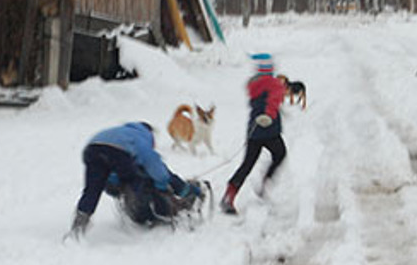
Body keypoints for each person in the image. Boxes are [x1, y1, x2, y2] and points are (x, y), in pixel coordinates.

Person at [67, 122, 203, 240]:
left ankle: (79, 225)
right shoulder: (141, 136)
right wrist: (162, 185)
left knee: (92, 190)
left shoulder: (121, 132)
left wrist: (114, 183)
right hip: (117, 152)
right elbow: (155, 166)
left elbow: (112, 170)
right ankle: (145, 212)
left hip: (92, 149)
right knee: (139, 181)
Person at [220, 53, 287, 215]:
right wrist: (269, 114)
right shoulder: (274, 84)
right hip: (269, 129)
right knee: (280, 153)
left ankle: (229, 196)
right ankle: (265, 183)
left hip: (254, 130)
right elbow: (273, 101)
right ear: (271, 69)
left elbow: (261, 102)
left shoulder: (253, 84)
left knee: (247, 164)